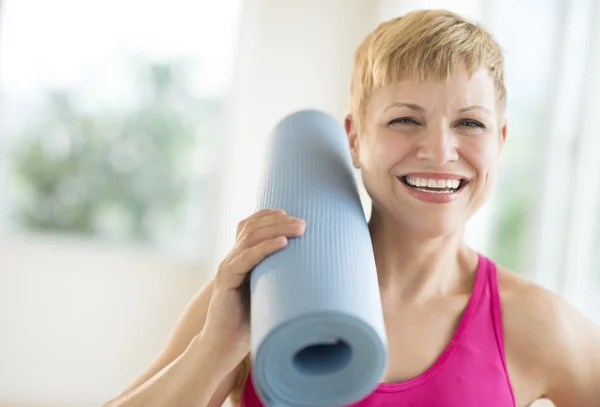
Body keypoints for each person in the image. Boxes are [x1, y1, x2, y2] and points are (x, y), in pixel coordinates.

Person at [103, 9, 600, 407]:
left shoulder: (535, 324)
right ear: (355, 140)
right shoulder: (266, 287)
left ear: (500, 142)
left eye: (470, 123)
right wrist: (218, 346)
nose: (440, 150)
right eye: (406, 119)